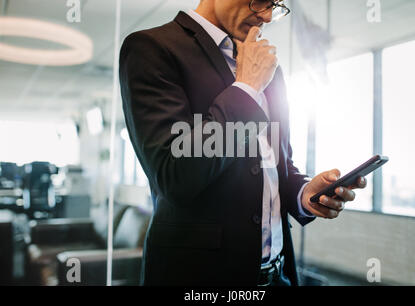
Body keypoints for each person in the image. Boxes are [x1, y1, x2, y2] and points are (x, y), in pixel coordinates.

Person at [119, 0, 367, 286]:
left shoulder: (270, 69)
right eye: (261, 0)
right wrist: (247, 88)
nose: (268, 16)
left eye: (276, 5)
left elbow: (276, 166)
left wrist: (304, 193)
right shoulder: (152, 49)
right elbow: (175, 175)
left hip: (279, 276)